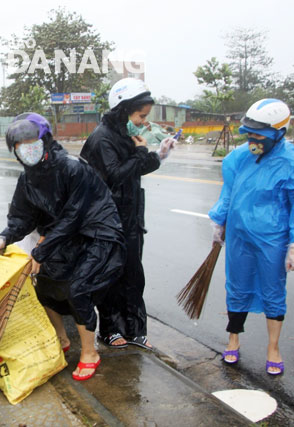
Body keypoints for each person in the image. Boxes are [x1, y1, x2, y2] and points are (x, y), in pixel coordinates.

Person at [0, 112, 126, 381]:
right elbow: (20, 218)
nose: (27, 149)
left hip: (99, 234)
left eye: (32, 142)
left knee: (78, 288)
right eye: (20, 146)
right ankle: (61, 339)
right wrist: (2, 239)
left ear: (46, 140)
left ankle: (89, 353)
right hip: (65, 236)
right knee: (44, 283)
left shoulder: (72, 168)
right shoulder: (27, 180)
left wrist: (40, 250)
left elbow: (73, 217)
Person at [209, 99, 294, 375]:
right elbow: (228, 191)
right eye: (249, 133)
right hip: (239, 235)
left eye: (258, 135)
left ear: (279, 132)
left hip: (272, 237)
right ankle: (233, 338)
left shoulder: (291, 165)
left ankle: (273, 347)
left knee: (273, 290)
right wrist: (219, 219)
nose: (252, 139)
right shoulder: (240, 157)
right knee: (237, 286)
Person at [80, 78, 175, 350]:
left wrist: (159, 156)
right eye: (140, 115)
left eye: (146, 116)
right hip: (106, 220)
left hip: (131, 217)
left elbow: (134, 169)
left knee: (134, 275)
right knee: (111, 276)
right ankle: (109, 329)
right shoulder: (101, 138)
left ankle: (135, 329)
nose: (144, 121)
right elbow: (115, 175)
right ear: (123, 110)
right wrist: (142, 152)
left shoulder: (124, 133)